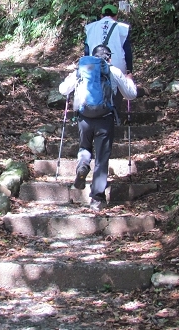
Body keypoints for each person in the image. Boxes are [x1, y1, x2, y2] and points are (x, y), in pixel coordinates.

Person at [59, 45, 137, 210]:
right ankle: (97, 199)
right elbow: (131, 94)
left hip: (84, 119)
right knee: (102, 159)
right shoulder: (113, 71)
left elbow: (63, 90)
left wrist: (71, 78)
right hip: (105, 119)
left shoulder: (82, 69)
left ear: (93, 56)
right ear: (108, 58)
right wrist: (130, 79)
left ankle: (82, 164)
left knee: (85, 146)